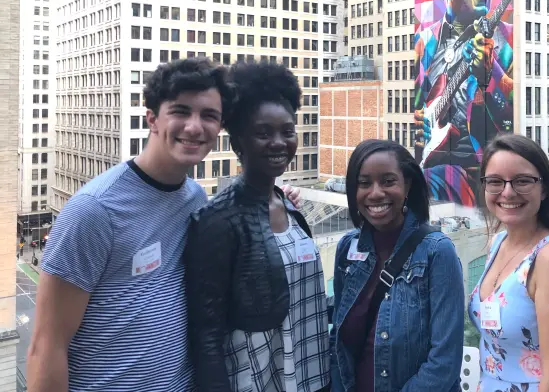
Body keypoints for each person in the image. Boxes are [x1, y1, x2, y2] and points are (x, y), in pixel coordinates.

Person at [27, 57, 230, 392]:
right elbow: (46, 346)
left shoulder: (194, 199)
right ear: (152, 118)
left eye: (209, 115)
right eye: (180, 111)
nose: (195, 127)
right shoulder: (94, 211)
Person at [186, 60, 329, 392]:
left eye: (287, 131)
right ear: (238, 143)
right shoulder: (218, 219)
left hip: (311, 376)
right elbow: (206, 333)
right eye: (263, 133)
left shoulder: (290, 205)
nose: (278, 142)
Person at [329, 139, 464, 392]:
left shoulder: (437, 252)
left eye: (388, 181)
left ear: (408, 185)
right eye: (364, 183)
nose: (376, 192)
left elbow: (444, 364)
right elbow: (338, 345)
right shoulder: (347, 249)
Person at [470, 134, 549, 392]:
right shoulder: (498, 243)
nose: (508, 192)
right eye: (495, 182)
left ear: (544, 189)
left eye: (522, 181)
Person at [414, 0, 514, 206]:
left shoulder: (508, 38)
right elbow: (422, 105)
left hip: (489, 176)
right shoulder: (426, 41)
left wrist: (490, 72)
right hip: (439, 174)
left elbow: (514, 111)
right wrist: (421, 124)